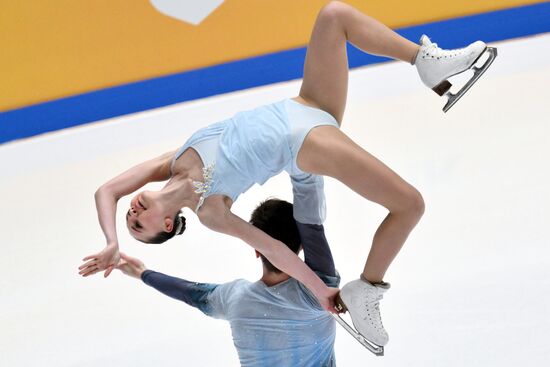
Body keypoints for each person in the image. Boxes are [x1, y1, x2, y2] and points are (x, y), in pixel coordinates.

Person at [79, 1, 494, 346]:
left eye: (129, 215)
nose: (131, 213)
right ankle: (367, 289)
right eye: (139, 225)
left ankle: (427, 64)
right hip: (303, 143)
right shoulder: (210, 211)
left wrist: (112, 240)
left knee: (333, 16)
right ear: (167, 224)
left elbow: (107, 190)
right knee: (410, 204)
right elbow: (274, 250)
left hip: (304, 105)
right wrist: (322, 291)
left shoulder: (169, 162)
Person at [115, 199, 340, 366]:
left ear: (255, 250)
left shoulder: (236, 299)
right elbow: (313, 228)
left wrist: (142, 273)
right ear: (302, 247)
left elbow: (190, 293)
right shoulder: (318, 292)